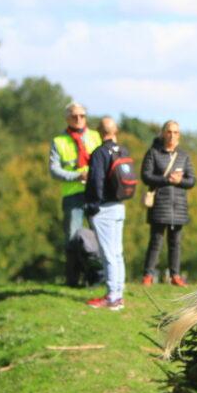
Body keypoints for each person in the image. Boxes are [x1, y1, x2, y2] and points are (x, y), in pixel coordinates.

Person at [49, 102, 102, 283]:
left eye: (82, 116)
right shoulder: (59, 141)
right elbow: (54, 170)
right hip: (73, 195)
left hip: (95, 194)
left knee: (99, 236)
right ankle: (72, 279)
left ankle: (96, 277)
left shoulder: (96, 137)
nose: (78, 119)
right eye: (74, 116)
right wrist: (76, 176)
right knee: (73, 238)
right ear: (67, 118)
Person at [140, 120, 196, 286]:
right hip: (159, 204)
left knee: (176, 243)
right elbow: (146, 176)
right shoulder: (153, 153)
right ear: (163, 133)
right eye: (169, 132)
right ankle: (148, 275)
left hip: (179, 206)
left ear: (179, 135)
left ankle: (175, 276)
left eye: (176, 132)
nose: (172, 135)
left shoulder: (184, 156)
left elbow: (192, 180)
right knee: (156, 241)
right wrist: (166, 179)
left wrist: (179, 181)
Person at [84, 117, 129, 310]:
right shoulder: (123, 151)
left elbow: (96, 181)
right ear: (116, 130)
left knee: (108, 253)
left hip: (104, 208)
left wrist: (92, 206)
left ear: (98, 132)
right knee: (117, 253)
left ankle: (112, 297)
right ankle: (118, 293)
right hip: (119, 206)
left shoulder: (100, 153)